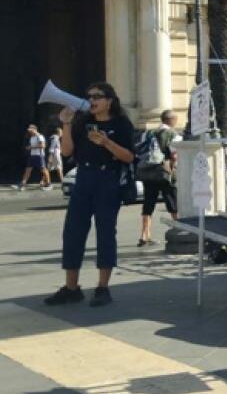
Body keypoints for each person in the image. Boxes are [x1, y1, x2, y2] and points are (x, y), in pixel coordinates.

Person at [45, 82, 135, 307]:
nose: (92, 100)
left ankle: (103, 287)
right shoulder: (83, 122)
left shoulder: (121, 124)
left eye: (98, 96)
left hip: (108, 180)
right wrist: (66, 124)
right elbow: (66, 151)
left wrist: (106, 142)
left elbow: (129, 157)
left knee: (105, 232)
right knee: (73, 231)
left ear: (109, 101)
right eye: (90, 96)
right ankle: (71, 287)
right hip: (83, 178)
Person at [137, 109, 179, 247]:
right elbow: (174, 155)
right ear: (172, 120)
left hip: (148, 171)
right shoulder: (172, 134)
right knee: (171, 200)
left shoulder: (148, 133)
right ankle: (180, 230)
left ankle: (144, 235)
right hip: (164, 172)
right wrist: (173, 169)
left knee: (148, 202)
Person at [14, 124, 51, 190]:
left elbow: (43, 146)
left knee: (43, 170)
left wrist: (31, 147)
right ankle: (23, 185)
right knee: (27, 170)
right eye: (29, 130)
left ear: (34, 129)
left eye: (31, 130)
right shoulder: (32, 137)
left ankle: (48, 184)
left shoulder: (40, 136)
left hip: (39, 156)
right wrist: (30, 148)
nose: (29, 132)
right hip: (32, 156)